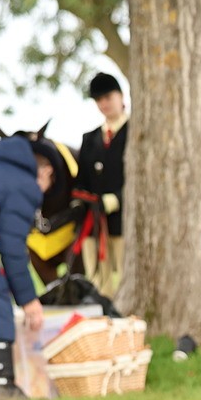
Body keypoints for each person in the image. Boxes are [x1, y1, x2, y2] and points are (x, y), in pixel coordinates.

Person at [0, 134, 53, 400]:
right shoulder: (25, 185)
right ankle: (3, 385)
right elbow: (12, 248)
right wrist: (28, 300)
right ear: (46, 171)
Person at [76, 72, 128, 297]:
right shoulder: (89, 139)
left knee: (124, 278)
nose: (104, 104)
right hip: (94, 225)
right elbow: (81, 182)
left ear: (120, 95)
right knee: (98, 285)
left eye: (108, 97)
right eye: (99, 100)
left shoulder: (135, 132)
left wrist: (117, 198)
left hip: (125, 223)